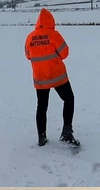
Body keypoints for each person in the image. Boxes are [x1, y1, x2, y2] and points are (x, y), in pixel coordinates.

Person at [25, 8, 80, 147]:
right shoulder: (54, 35)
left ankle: (41, 137)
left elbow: (28, 55)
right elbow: (65, 53)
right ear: (51, 21)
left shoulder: (30, 37)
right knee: (69, 99)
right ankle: (67, 132)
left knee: (42, 106)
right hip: (57, 77)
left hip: (40, 78)